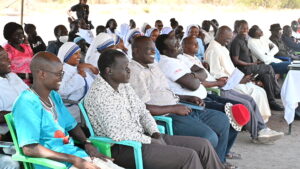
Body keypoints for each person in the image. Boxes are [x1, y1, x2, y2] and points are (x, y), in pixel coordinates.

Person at [84, 49, 225, 169]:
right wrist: (149, 140)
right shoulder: (99, 95)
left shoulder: (122, 85)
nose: (129, 71)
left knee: (203, 145)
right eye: (125, 68)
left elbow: (142, 111)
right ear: (109, 71)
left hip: (144, 137)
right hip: (124, 147)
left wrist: (155, 133)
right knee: (189, 156)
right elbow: (116, 133)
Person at [129, 36, 246, 168]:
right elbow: (143, 108)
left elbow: (166, 91)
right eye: (148, 50)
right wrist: (174, 108)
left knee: (223, 120)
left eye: (153, 49)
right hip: (165, 116)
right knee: (209, 137)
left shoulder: (153, 65)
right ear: (136, 51)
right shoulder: (134, 72)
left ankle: (218, 163)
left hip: (179, 105)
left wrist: (185, 98)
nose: (152, 52)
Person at [12, 51, 122, 169]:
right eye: (58, 74)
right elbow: (29, 149)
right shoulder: (26, 103)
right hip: (55, 164)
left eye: (62, 73)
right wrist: (74, 160)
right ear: (42, 74)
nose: (62, 78)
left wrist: (86, 143)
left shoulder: (54, 96)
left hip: (75, 157)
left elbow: (72, 125)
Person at [205, 26, 284, 144]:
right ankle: (256, 134)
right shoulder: (213, 50)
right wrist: (239, 80)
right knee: (247, 101)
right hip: (224, 86)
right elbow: (217, 74)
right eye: (227, 39)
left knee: (251, 99)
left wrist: (241, 78)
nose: (228, 42)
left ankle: (263, 128)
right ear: (220, 35)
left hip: (232, 81)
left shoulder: (220, 46)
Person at [230, 20, 283, 111]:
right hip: (244, 69)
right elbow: (235, 61)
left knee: (266, 75)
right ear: (237, 29)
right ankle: (277, 92)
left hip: (250, 66)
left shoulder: (245, 39)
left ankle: (271, 102)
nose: (245, 30)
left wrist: (255, 62)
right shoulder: (237, 41)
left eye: (246, 28)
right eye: (242, 28)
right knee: (269, 68)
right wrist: (250, 63)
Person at [57, 42, 97, 122]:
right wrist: (79, 76)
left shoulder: (77, 68)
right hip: (74, 110)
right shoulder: (62, 71)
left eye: (79, 53)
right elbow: (61, 91)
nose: (79, 56)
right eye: (76, 54)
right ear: (67, 56)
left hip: (88, 105)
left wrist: (89, 67)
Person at [0, 46, 26, 169]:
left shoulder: (12, 76)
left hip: (25, 128)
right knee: (12, 164)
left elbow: (30, 95)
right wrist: (21, 113)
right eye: (4, 58)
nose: (9, 61)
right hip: (7, 136)